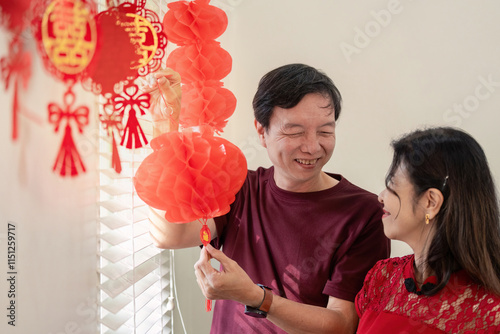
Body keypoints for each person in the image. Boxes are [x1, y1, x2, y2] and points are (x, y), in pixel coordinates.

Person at [143, 64, 390, 333]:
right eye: (295, 132)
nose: (311, 146)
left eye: (325, 132)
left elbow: (342, 324)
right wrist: (164, 128)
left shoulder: (364, 213)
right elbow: (170, 235)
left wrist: (256, 298)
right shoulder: (238, 186)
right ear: (261, 132)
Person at [355, 127, 500, 333]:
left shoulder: (489, 313)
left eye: (392, 185)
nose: (380, 196)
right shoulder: (383, 278)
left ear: (431, 202)